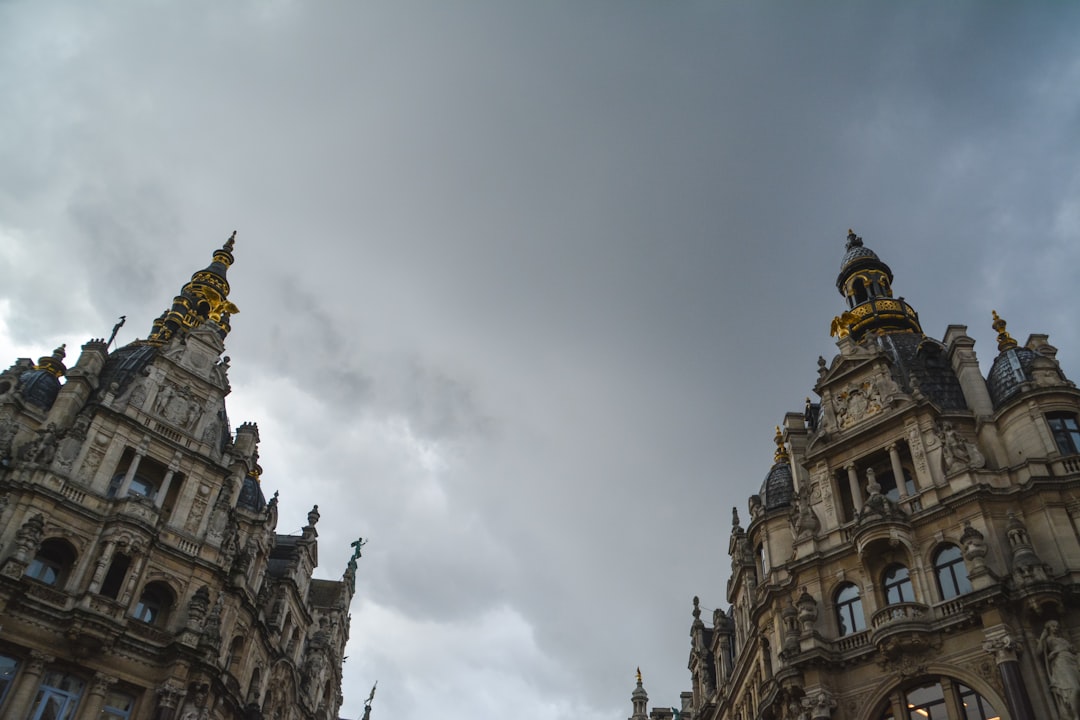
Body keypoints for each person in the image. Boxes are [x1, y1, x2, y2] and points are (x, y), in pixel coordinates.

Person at [1038, 620, 1080, 720]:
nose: (1056, 628)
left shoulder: (1063, 639)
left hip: (1073, 662)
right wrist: (1041, 638)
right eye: (1053, 626)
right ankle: (1075, 716)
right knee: (1075, 688)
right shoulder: (1048, 639)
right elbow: (1039, 652)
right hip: (1061, 663)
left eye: (1057, 626)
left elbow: (1074, 650)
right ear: (1048, 628)